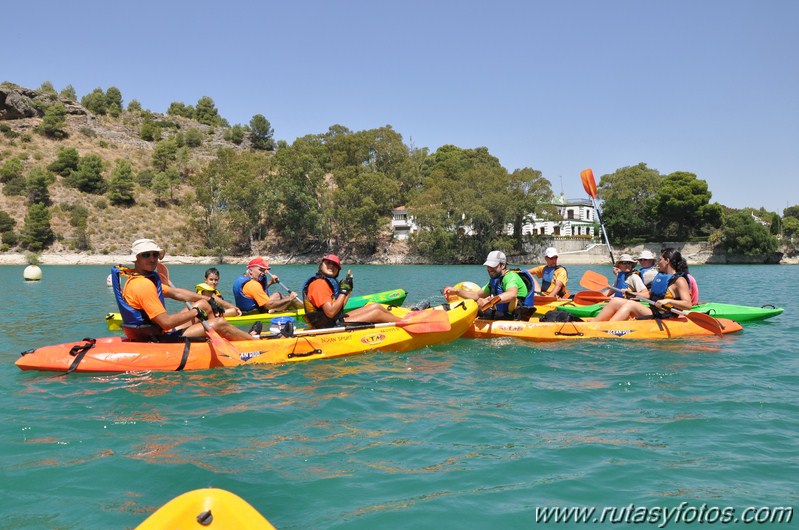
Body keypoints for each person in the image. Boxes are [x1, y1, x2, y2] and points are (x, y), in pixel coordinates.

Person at [112, 239, 253, 341]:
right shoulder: (143, 285)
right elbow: (166, 322)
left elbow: (176, 293)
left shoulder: (142, 278)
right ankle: (252, 342)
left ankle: (216, 338)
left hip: (155, 331)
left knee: (204, 304)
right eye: (146, 255)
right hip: (159, 337)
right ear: (135, 258)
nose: (152, 258)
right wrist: (195, 312)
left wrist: (208, 299)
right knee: (220, 322)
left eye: (155, 254)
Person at [302, 254, 401, 328]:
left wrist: (348, 291)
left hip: (332, 321)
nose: (331, 266)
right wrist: (343, 292)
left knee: (375, 306)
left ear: (338, 270)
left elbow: (338, 309)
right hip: (326, 327)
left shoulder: (326, 283)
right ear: (321, 265)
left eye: (335, 265)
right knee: (376, 313)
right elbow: (331, 312)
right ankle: (407, 323)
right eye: (327, 263)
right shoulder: (319, 284)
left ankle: (400, 320)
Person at [594, 248, 693, 322]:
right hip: (653, 310)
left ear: (667, 261)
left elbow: (688, 305)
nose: (658, 262)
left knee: (630, 305)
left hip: (665, 315)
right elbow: (649, 295)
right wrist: (631, 293)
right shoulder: (660, 277)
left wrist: (668, 301)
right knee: (616, 301)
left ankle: (607, 328)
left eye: (660, 260)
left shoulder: (679, 280)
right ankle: (594, 323)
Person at [442, 250, 537, 319]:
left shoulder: (510, 277)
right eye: (488, 266)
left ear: (503, 265)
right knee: (474, 303)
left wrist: (489, 302)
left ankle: (448, 316)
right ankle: (444, 310)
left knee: (476, 309)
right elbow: (476, 295)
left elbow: (512, 294)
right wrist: (456, 291)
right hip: (502, 313)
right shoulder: (494, 279)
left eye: (493, 266)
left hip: (515, 316)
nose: (490, 269)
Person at [232, 257, 302, 314]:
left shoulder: (243, 278)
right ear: (251, 271)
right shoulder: (253, 285)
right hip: (258, 312)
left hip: (248, 310)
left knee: (277, 295)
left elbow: (254, 294)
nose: (263, 273)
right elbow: (268, 305)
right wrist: (289, 298)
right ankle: (307, 310)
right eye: (261, 270)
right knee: (293, 300)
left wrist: (270, 282)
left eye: (264, 270)